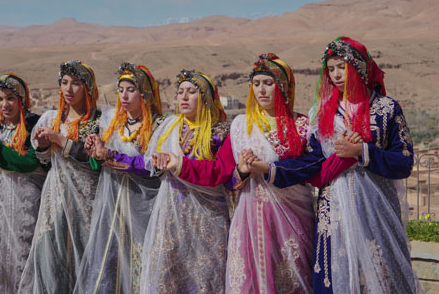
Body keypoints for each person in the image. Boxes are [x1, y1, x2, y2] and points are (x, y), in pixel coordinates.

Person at [246, 37, 419, 293]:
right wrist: (270, 169)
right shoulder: (322, 112)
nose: (336, 74)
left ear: (359, 67)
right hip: (333, 212)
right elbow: (313, 164)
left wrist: (362, 152)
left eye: (342, 66)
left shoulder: (386, 109)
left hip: (376, 209)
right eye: (331, 68)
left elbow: (403, 162)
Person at [156, 54, 315, 293]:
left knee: (292, 280)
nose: (261, 90)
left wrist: (269, 169)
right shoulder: (241, 125)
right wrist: (241, 171)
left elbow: (312, 168)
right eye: (256, 83)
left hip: (291, 219)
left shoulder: (302, 125)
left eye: (268, 83)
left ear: (284, 87)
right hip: (249, 218)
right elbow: (222, 174)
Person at [19, 61, 111, 293]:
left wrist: (59, 140)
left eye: (76, 84)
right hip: (56, 201)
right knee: (50, 258)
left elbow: (95, 162)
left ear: (88, 89)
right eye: (64, 83)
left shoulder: (100, 122)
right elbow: (45, 161)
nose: (68, 89)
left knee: (86, 261)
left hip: (87, 203)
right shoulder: (52, 120)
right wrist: (41, 146)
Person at [74, 62, 165, 294]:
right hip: (112, 206)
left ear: (144, 93)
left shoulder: (158, 126)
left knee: (139, 262)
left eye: (131, 89)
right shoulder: (111, 123)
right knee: (108, 261)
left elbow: (153, 167)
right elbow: (99, 164)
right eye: (121, 89)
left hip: (142, 207)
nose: (124, 95)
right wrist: (95, 151)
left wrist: (112, 155)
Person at [140, 69, 229, 294]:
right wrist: (160, 164)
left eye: (192, 92)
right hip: (171, 217)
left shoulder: (220, 132)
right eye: (180, 92)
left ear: (206, 98)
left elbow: (221, 172)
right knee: (168, 279)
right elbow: (149, 165)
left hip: (207, 220)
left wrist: (179, 164)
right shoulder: (168, 128)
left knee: (205, 279)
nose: (184, 97)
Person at [0, 73, 46, 294]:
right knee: (0, 258)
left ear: (21, 99)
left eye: (11, 98)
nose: (5, 104)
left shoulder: (34, 124)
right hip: (0, 204)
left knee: (26, 257)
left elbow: (30, 163)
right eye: (1, 99)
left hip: (28, 206)